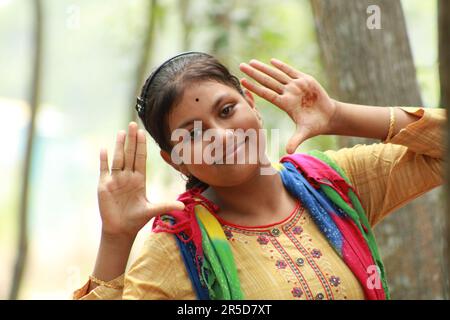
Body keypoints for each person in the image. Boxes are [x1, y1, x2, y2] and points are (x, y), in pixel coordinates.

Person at [73, 52, 445, 300]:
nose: (221, 136)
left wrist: (338, 115)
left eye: (227, 110)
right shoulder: (176, 249)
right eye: (194, 134)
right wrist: (116, 240)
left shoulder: (332, 185)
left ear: (252, 105)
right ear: (176, 161)